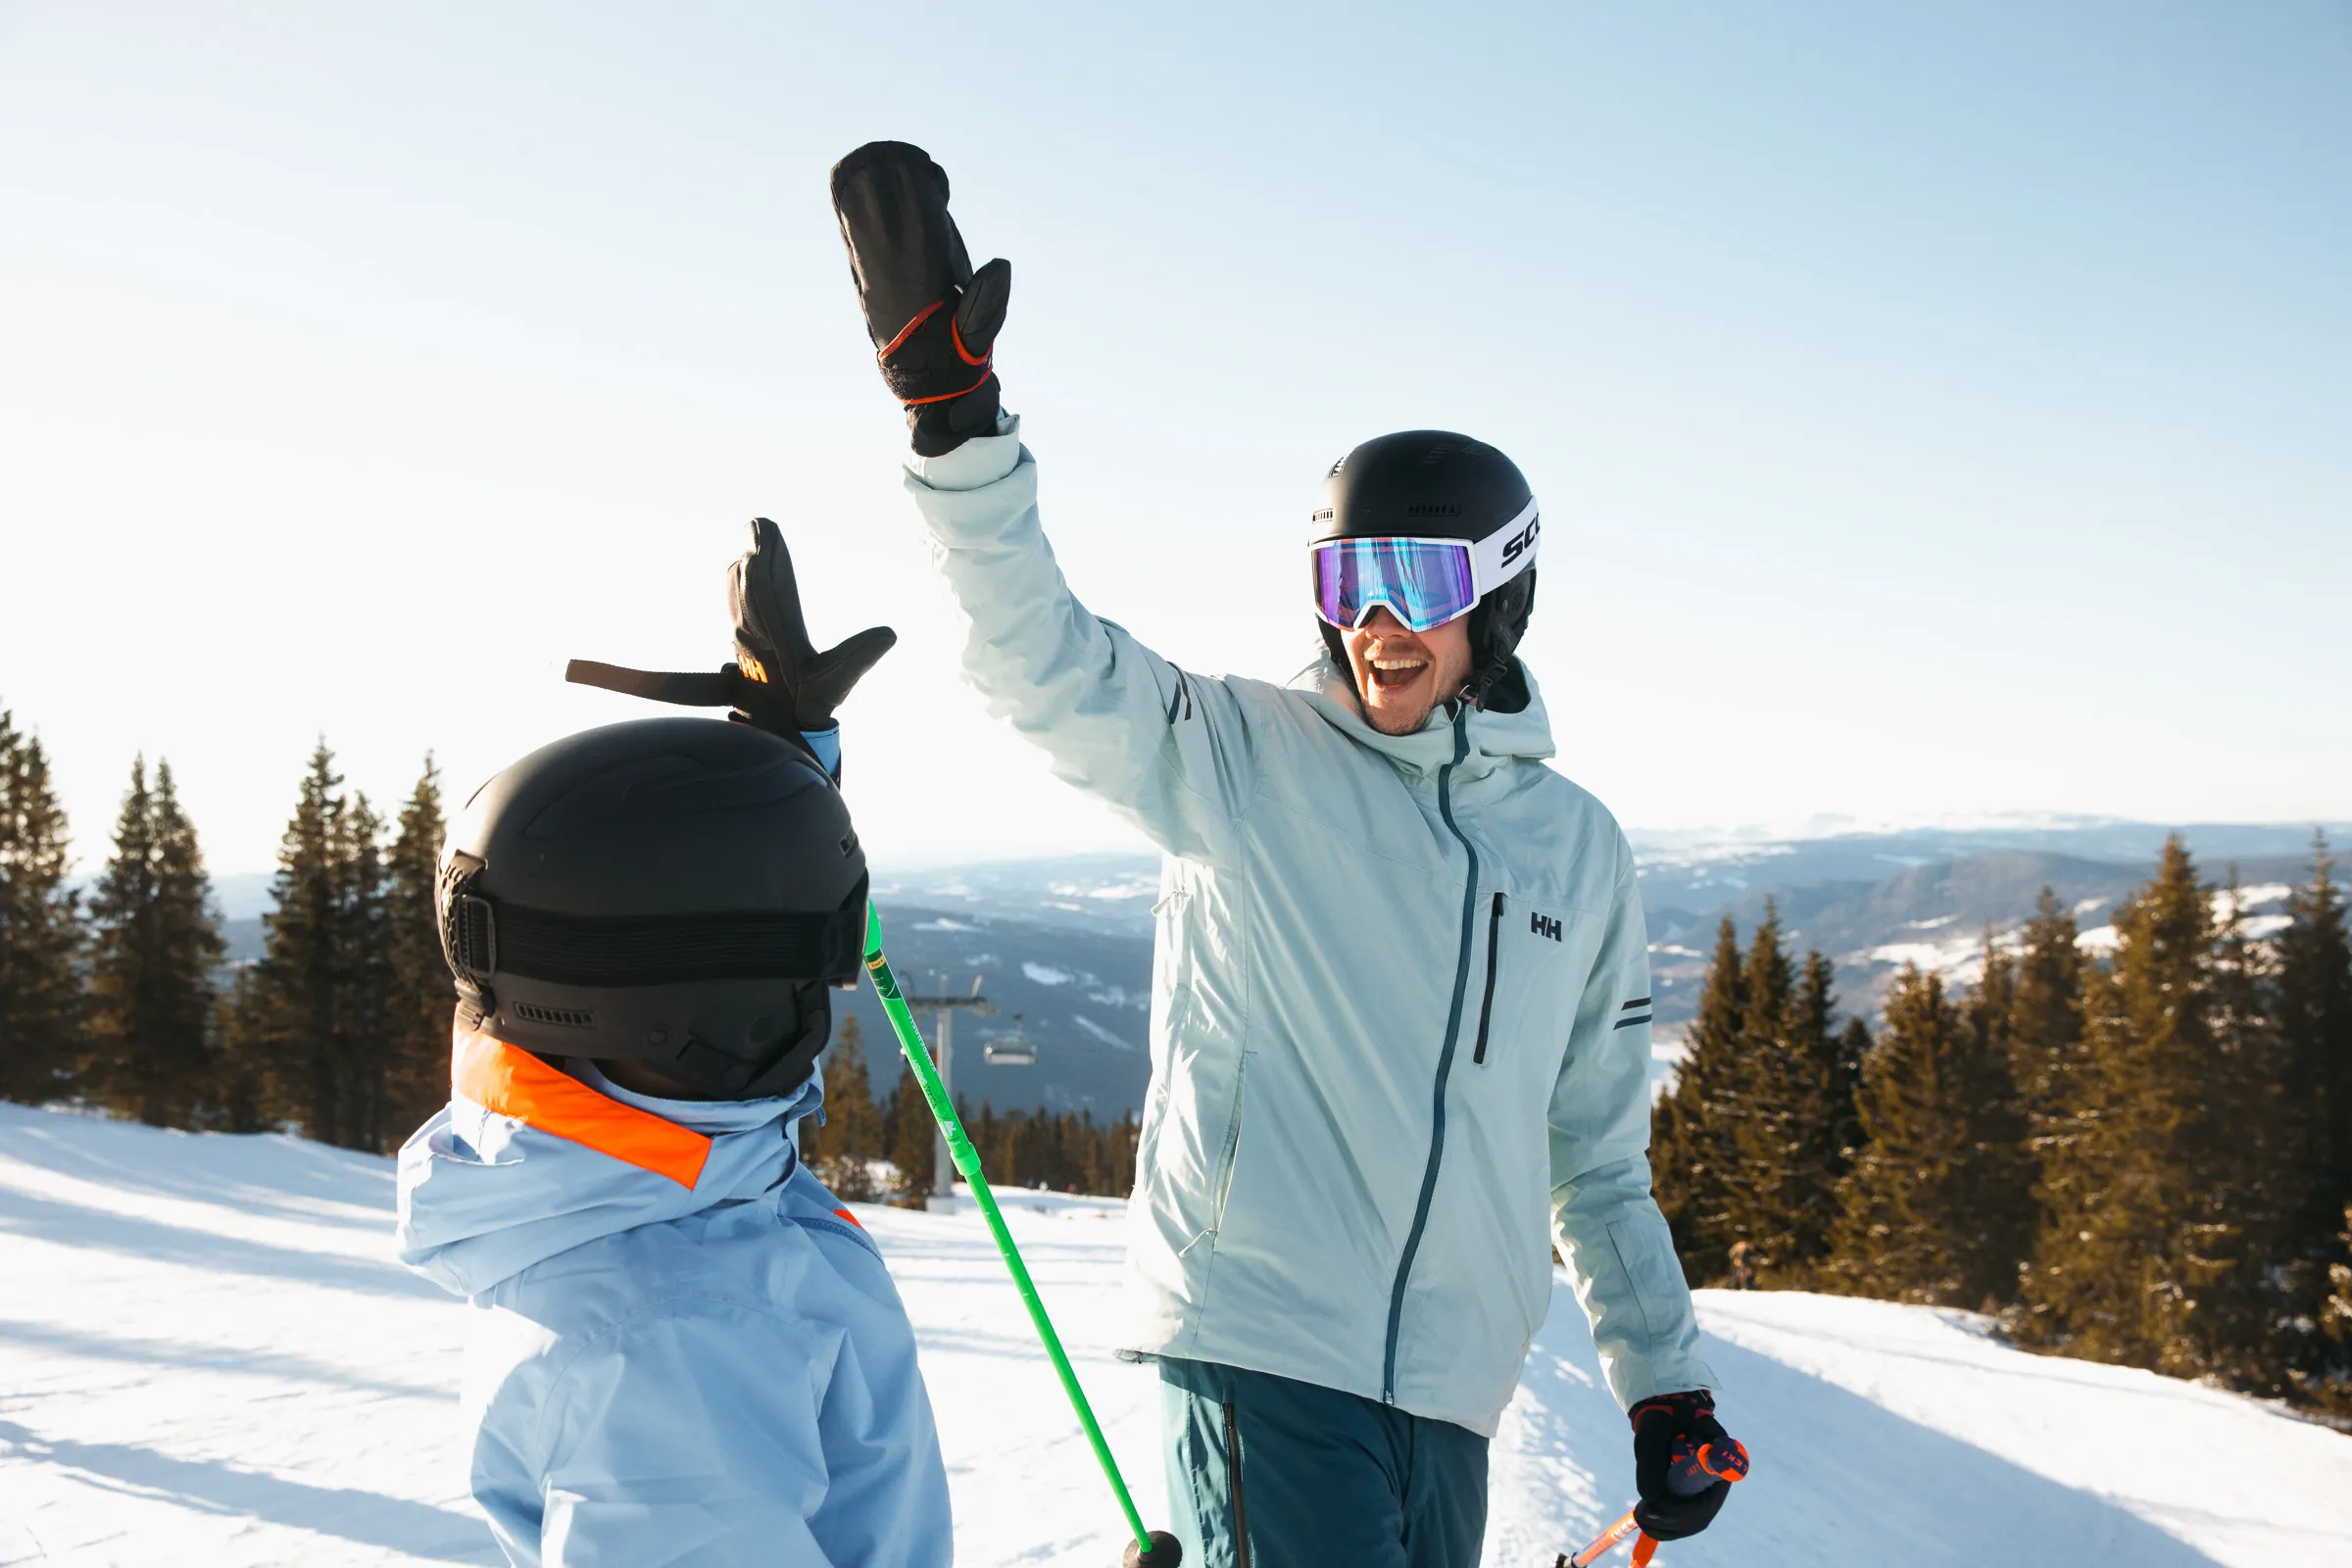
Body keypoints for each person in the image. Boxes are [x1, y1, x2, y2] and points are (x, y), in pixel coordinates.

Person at [830, 141, 1740, 1568]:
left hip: (1449, 1401)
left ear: (1501, 590)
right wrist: (958, 428)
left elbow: (1596, 1162)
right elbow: (1039, 661)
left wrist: (1664, 1386)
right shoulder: (1245, 761)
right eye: (1346, 580)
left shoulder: (1576, 854)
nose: (1376, 620)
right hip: (1258, 1346)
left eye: (1418, 581)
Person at [394, 525, 948, 1567]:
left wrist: (786, 754)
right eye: (801, 962)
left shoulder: (654, 1161)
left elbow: (707, 963)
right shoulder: (669, 1351)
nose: (822, 989)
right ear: (708, 1015)